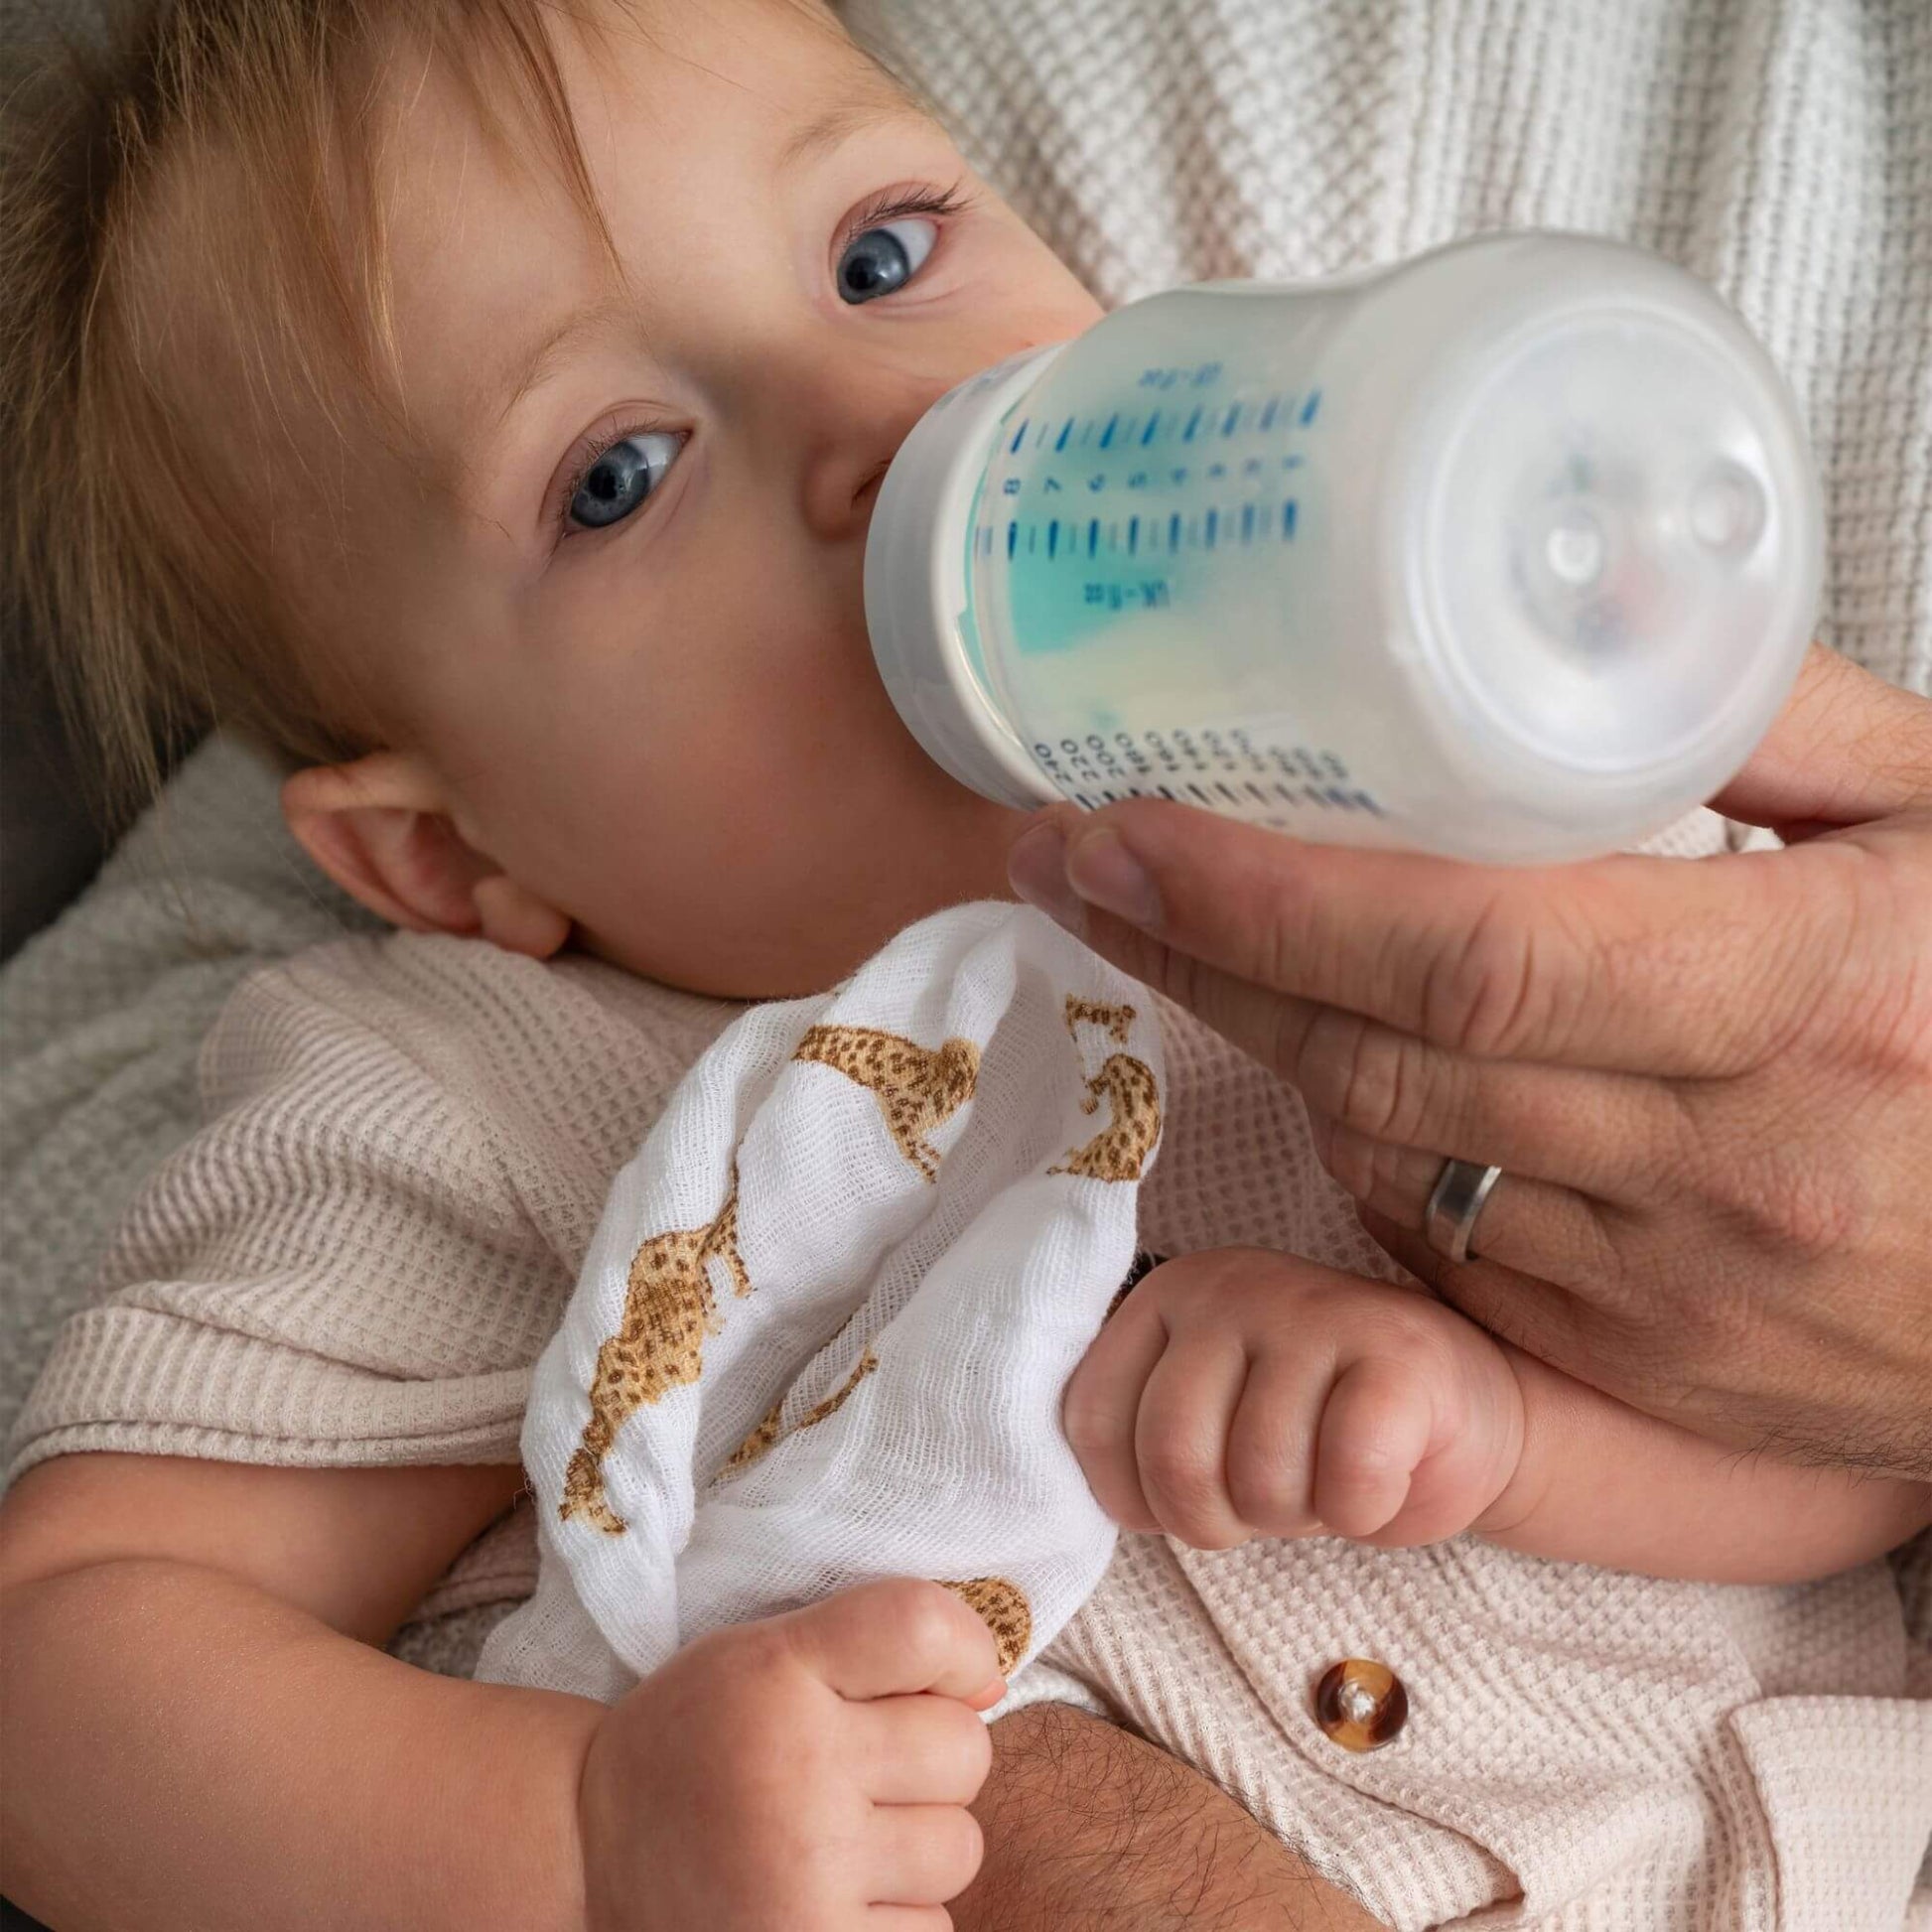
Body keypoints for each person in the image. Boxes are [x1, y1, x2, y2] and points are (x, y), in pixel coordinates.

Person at [0, 4, 1925, 1931]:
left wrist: (1504, 1440)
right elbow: (69, 1670)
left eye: (880, 257)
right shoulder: (498, 1084)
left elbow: (1849, 1440)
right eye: (617, 476)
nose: (872, 427)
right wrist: (583, 1836)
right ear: (454, 855)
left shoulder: (1476, 830)